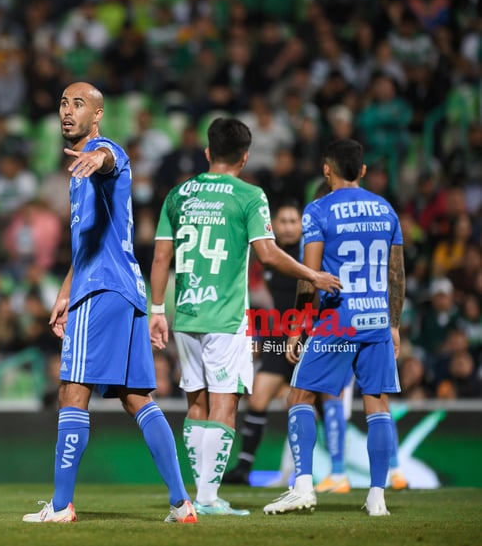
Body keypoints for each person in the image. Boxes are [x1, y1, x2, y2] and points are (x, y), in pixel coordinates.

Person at [149, 117, 342, 515]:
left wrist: (156, 309)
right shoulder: (249, 195)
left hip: (184, 313)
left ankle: (198, 495)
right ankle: (206, 498)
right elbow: (268, 253)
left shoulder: (178, 195)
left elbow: (161, 256)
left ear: (207, 152)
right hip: (225, 317)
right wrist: (314, 274)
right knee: (225, 403)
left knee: (196, 403)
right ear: (245, 156)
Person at [23, 82, 197, 524]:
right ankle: (181, 503)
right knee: (136, 396)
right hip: (124, 289)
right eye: (63, 103)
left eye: (78, 104)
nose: (67, 111)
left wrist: (97, 158)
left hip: (102, 290)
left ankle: (61, 507)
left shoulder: (101, 153)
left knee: (72, 392)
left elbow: (111, 159)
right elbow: (89, 242)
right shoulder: (78, 172)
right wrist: (65, 291)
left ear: (97, 114)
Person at [263, 138, 404, 516]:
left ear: (326, 171)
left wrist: (296, 326)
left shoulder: (318, 210)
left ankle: (304, 486)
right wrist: (394, 323)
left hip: (337, 319)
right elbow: (396, 274)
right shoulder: (386, 209)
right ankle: (377, 496)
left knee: (300, 397)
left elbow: (309, 276)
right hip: (376, 319)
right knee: (378, 403)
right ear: (362, 171)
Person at [223, 201, 303, 486]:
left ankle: (327, 470)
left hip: (308, 337)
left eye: (294, 220)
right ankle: (244, 467)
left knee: (313, 404)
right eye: (283, 221)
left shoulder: (308, 255)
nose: (289, 226)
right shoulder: (269, 259)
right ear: (274, 226)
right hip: (279, 339)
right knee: (257, 400)